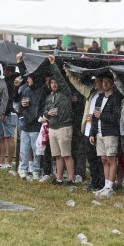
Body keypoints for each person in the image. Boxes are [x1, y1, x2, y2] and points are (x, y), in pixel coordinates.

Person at [42, 54, 75, 185]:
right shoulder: (49, 97)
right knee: (57, 155)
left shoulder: (65, 93)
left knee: (66, 154)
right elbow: (45, 111)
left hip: (64, 127)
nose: (55, 84)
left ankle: (71, 179)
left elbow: (61, 79)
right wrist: (47, 113)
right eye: (52, 82)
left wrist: (53, 65)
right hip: (53, 127)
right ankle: (59, 178)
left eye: (56, 82)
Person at [88, 73, 122, 197]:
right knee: (103, 159)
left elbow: (116, 117)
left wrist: (102, 116)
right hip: (99, 132)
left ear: (112, 84)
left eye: (108, 82)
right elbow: (94, 116)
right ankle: (106, 185)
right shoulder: (99, 98)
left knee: (111, 158)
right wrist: (92, 133)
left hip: (110, 133)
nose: (105, 84)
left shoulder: (115, 98)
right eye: (103, 82)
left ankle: (110, 186)